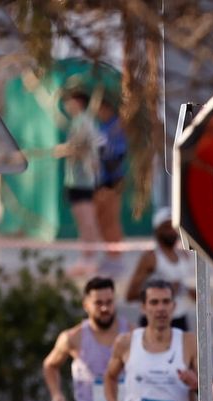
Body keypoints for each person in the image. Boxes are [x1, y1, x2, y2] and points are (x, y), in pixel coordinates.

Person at [125, 208, 195, 332]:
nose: (171, 232)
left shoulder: (183, 256)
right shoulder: (150, 258)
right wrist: (161, 292)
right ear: (157, 230)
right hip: (153, 320)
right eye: (166, 227)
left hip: (179, 319)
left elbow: (191, 292)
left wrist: (189, 291)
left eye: (174, 227)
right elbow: (130, 294)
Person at [61, 86, 104, 275]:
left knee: (87, 220)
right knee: (82, 221)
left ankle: (90, 258)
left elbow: (83, 147)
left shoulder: (84, 122)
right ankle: (85, 258)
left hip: (82, 179)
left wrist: (65, 150)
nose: (67, 105)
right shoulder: (78, 121)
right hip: (76, 179)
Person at [93, 97, 128, 275]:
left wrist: (110, 175)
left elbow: (119, 153)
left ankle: (116, 257)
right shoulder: (102, 126)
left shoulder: (116, 126)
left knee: (111, 220)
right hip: (100, 179)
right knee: (101, 220)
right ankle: (109, 254)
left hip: (112, 179)